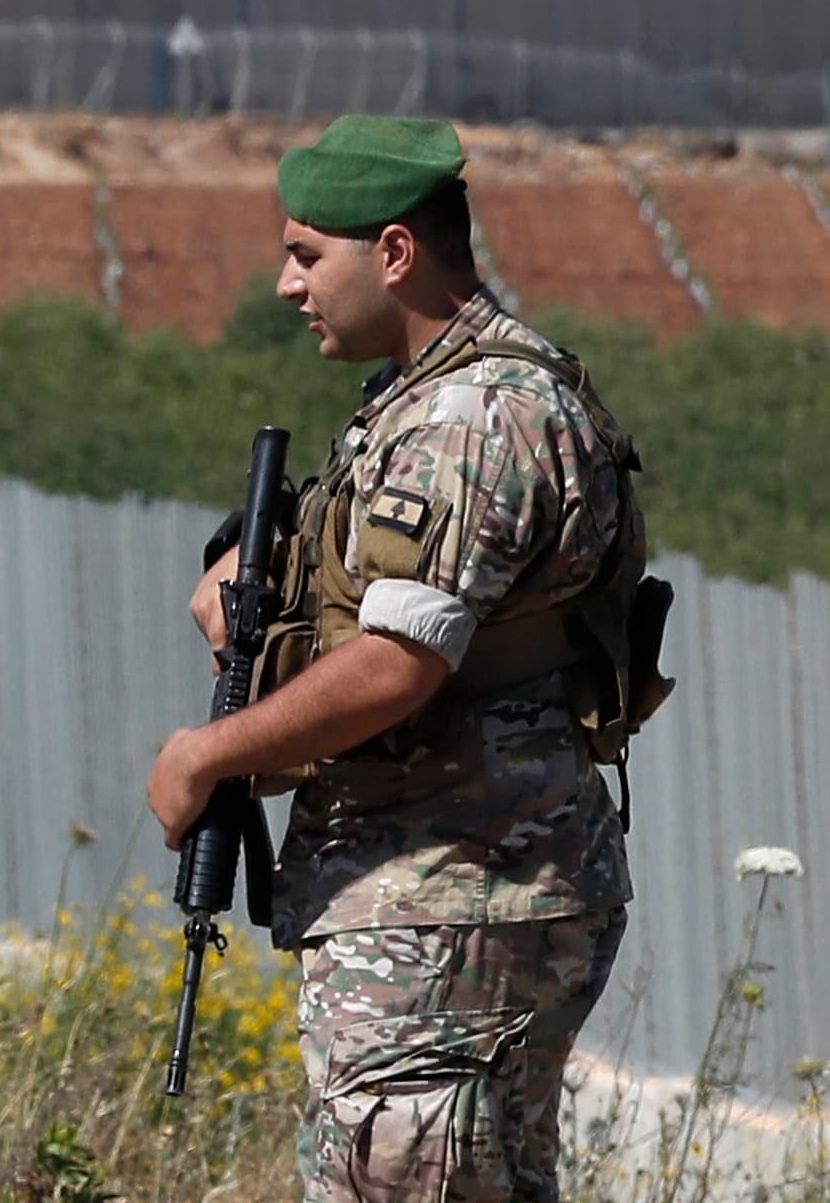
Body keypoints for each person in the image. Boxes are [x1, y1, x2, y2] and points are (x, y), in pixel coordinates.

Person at [147, 114, 662, 1203]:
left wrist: (207, 753)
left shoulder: (474, 413)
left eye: (305, 253)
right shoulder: (427, 396)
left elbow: (400, 660)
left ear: (393, 251)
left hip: (455, 890)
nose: (288, 284)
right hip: (445, 888)